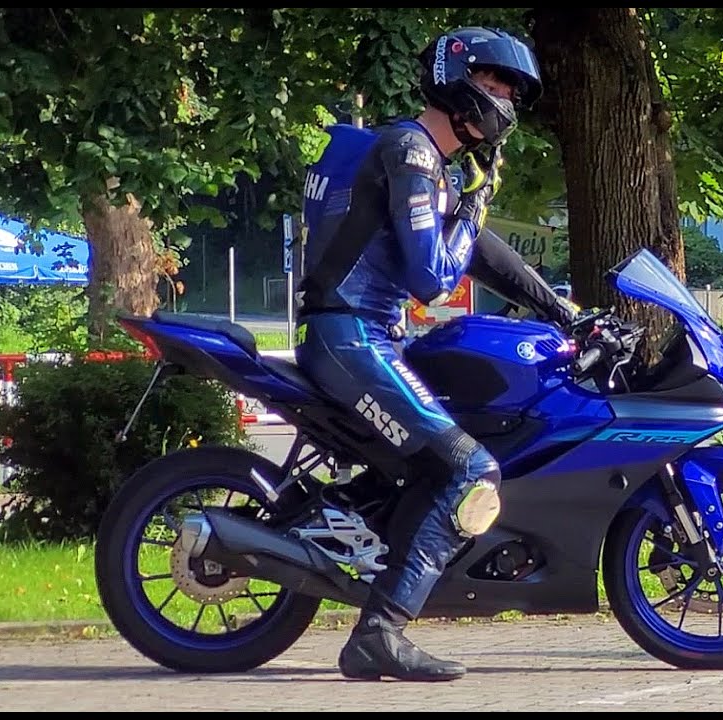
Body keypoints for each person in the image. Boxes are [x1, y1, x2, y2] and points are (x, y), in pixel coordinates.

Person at [293, 26, 579, 682]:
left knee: (451, 443)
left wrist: (561, 309)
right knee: (470, 471)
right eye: (497, 82)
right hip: (349, 338)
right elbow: (433, 277)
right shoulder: (412, 153)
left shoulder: (431, 163)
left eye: (514, 91)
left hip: (366, 337)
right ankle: (380, 633)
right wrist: (474, 211)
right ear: (460, 81)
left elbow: (480, 252)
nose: (506, 99)